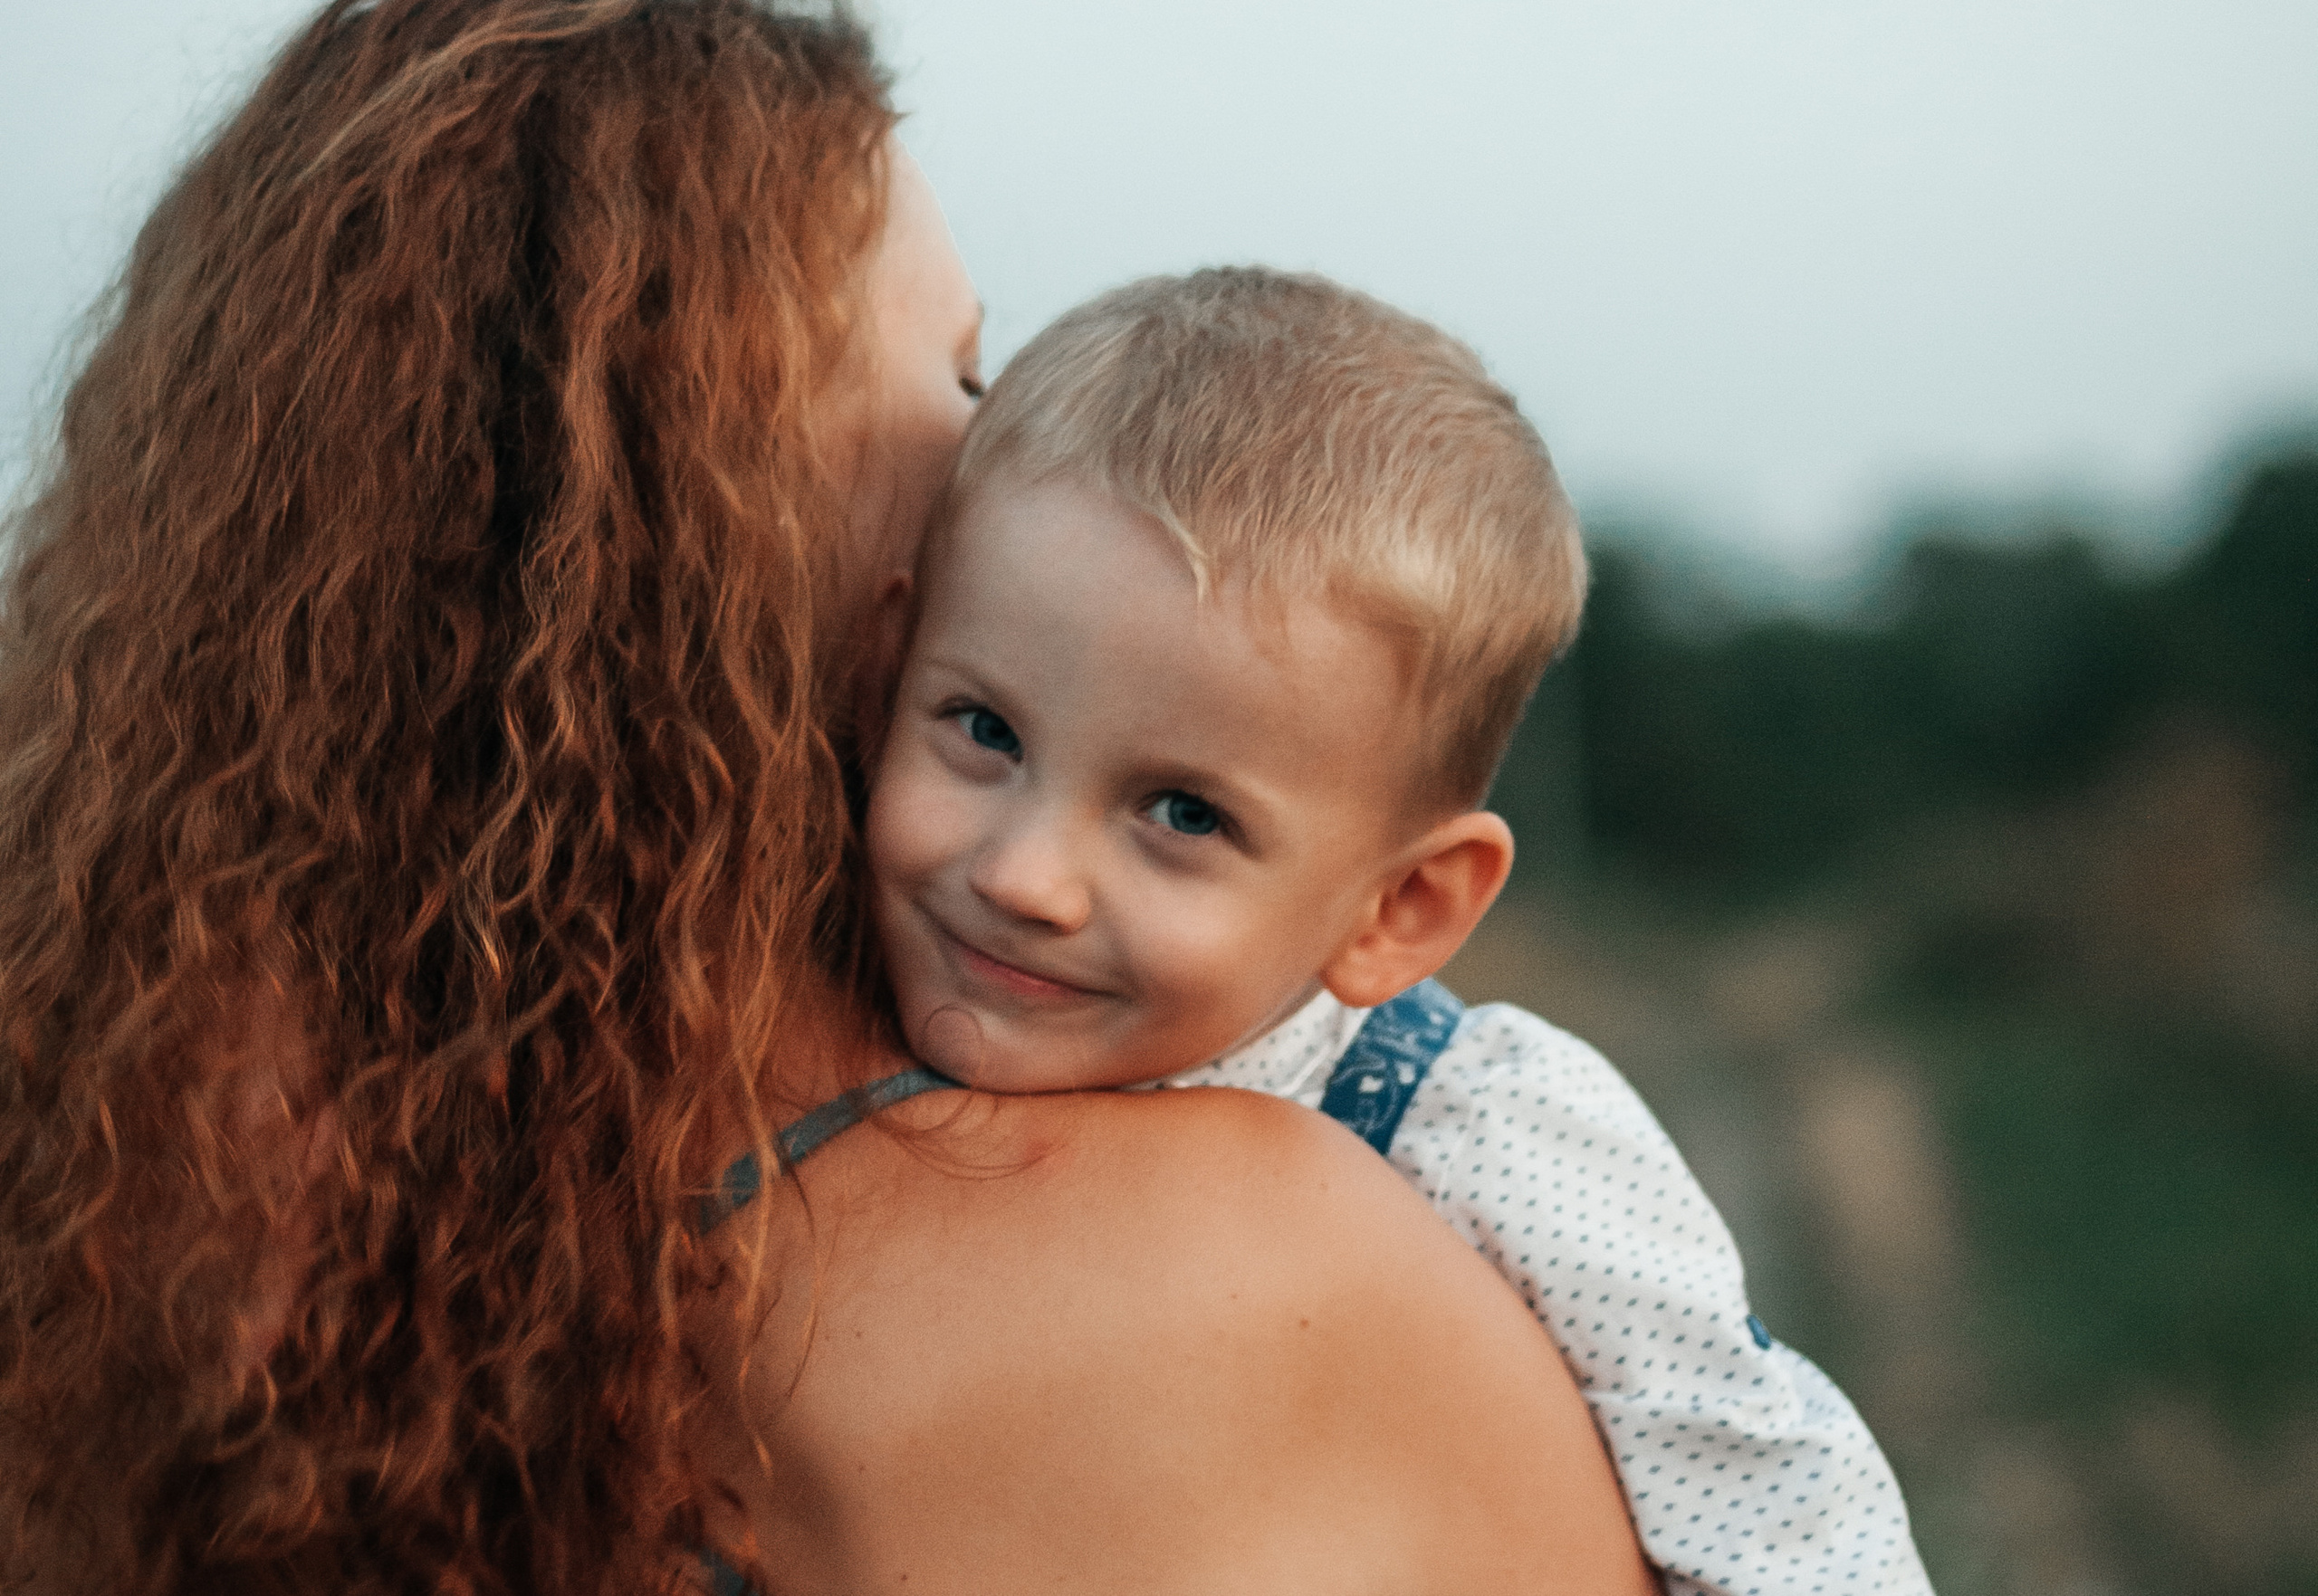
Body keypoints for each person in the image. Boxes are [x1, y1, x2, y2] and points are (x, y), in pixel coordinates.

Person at [0, 3, 1652, 1591]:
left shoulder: (156, 1185)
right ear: (719, 489)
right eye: (961, 368)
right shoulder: (1215, 1262)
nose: (997, 443)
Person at [863, 268, 1938, 1594]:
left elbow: (1775, 1503)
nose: (1027, 876)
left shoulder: (1467, 1132)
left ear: (1399, 911)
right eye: (985, 730)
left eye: (1183, 814)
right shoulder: (808, 1006)